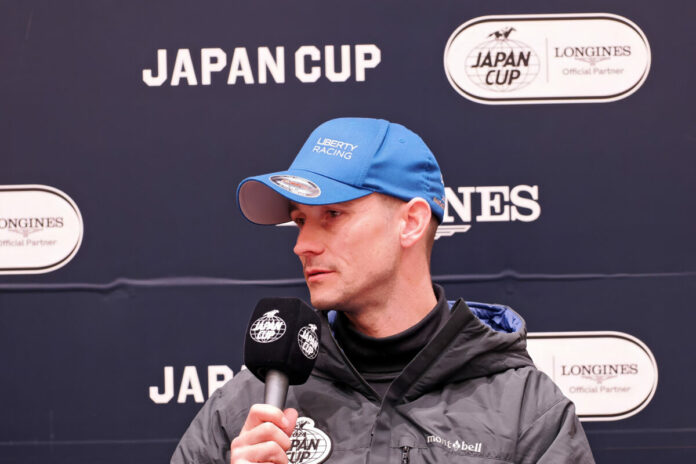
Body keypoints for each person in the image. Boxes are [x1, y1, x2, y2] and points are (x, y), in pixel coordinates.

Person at [171, 117, 595, 463]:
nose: (302, 245)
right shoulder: (249, 404)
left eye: (333, 214)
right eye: (300, 221)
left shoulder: (524, 409)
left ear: (410, 222)